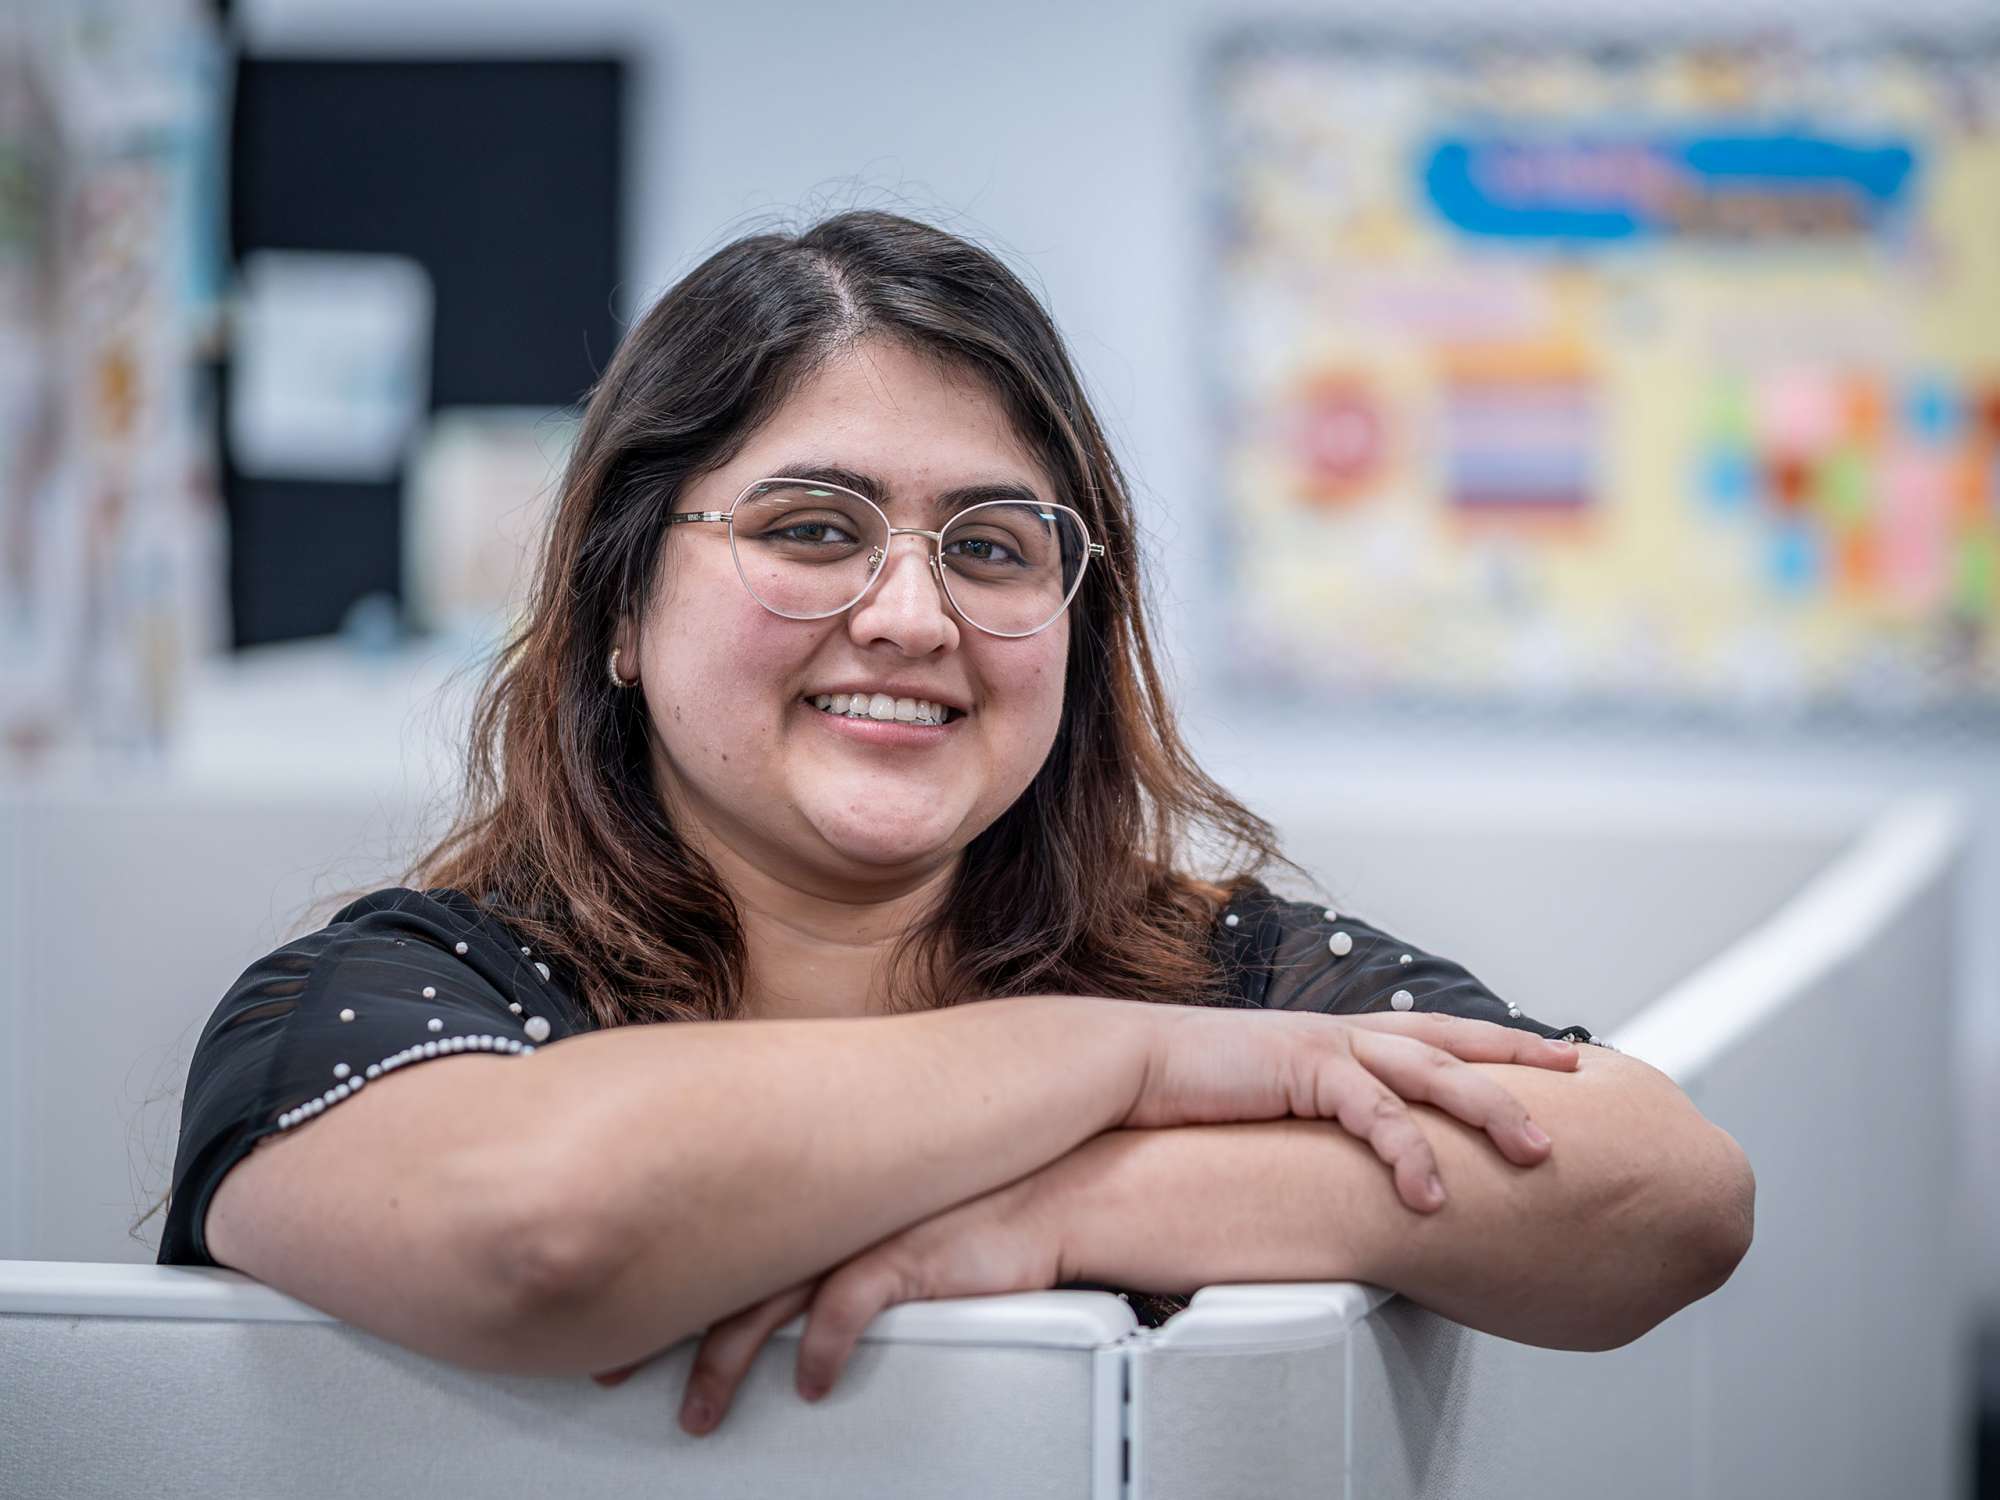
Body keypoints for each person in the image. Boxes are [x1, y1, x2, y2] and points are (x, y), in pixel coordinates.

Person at [151, 210, 1753, 1437]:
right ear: (620, 607)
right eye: (811, 528)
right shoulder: (395, 995)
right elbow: (542, 1231)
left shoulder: (1215, 968)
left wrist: (1058, 1211)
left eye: (992, 548)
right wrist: (1112, 1066)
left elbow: (1660, 1192)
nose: (910, 614)